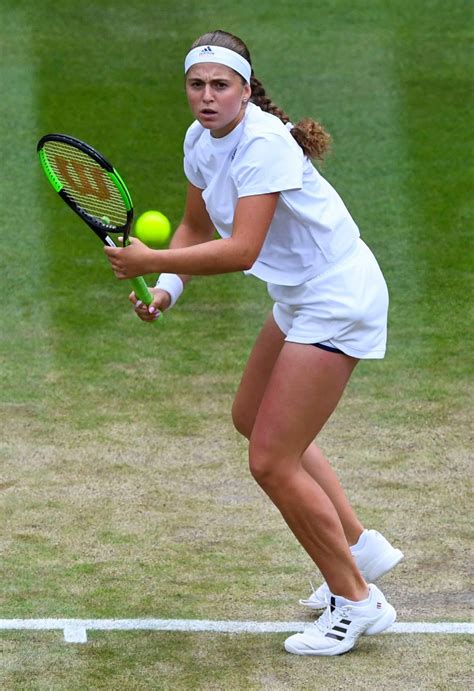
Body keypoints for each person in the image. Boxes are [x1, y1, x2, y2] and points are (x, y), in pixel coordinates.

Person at [105, 29, 404, 656]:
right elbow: (192, 225)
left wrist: (144, 258)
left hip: (336, 296)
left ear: (245, 90)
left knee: (271, 460)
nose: (208, 97)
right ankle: (358, 546)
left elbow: (242, 250)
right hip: (300, 295)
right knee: (252, 420)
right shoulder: (199, 140)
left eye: (221, 85)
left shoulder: (264, 141)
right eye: (197, 85)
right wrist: (164, 289)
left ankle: (356, 600)